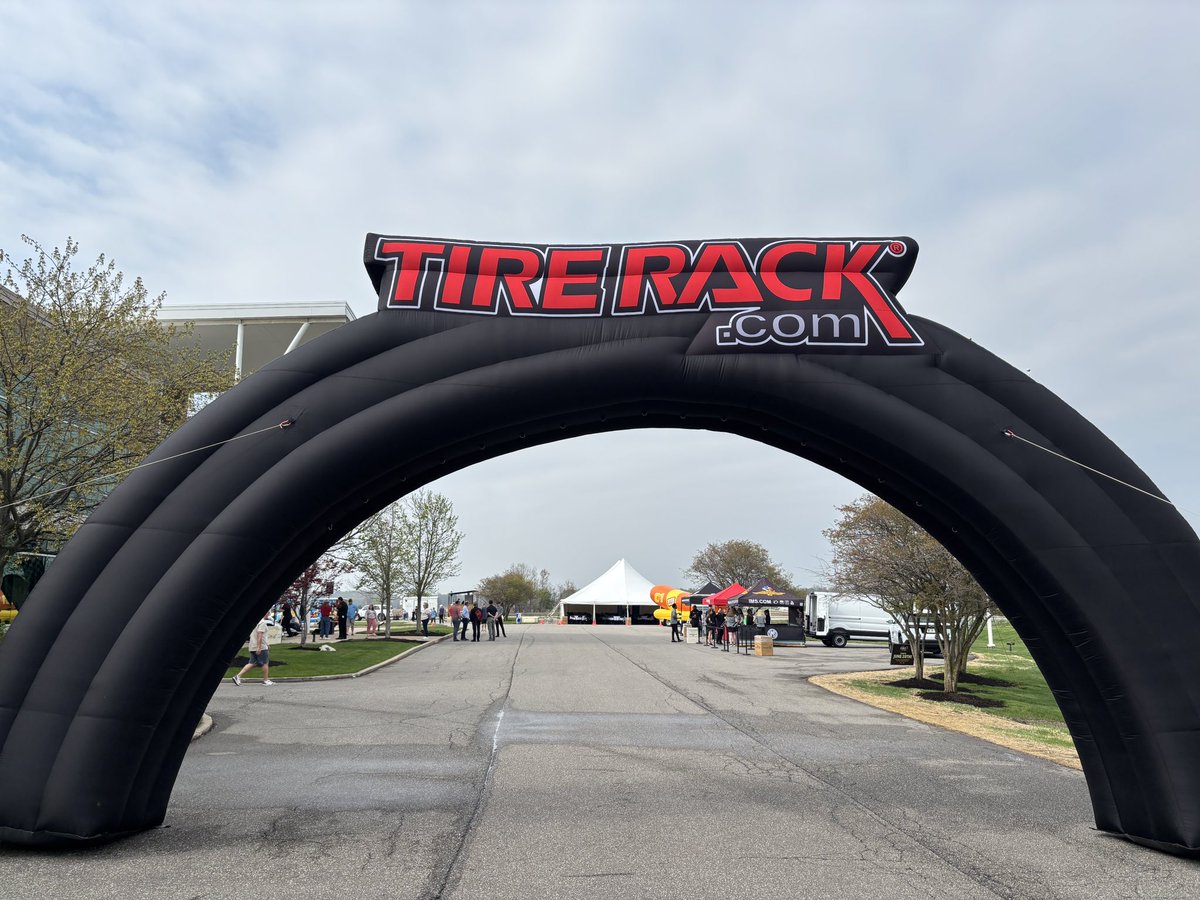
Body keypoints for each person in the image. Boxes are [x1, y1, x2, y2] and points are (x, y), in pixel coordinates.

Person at [233, 612, 274, 686]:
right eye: (268, 613)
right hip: (260, 647)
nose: (269, 614)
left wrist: (267, 644)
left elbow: (257, 635)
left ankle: (237, 677)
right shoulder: (262, 623)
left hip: (252, 646)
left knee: (252, 663)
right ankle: (266, 680)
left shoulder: (255, 622)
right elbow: (259, 635)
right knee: (265, 663)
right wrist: (259, 647)